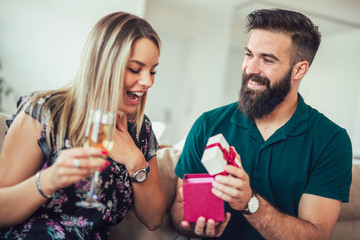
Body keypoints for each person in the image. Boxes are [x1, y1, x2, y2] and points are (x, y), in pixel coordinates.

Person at [170, 8, 352, 240]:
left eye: (267, 59)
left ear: (299, 70)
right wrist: (192, 225)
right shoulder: (208, 124)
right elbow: (178, 206)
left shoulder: (330, 141)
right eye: (248, 54)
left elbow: (316, 235)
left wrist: (249, 202)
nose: (250, 68)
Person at [0, 12, 166, 239]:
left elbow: (154, 219)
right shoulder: (45, 112)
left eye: (153, 70)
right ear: (104, 65)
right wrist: (49, 180)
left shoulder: (140, 130)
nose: (148, 81)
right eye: (135, 69)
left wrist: (134, 159)